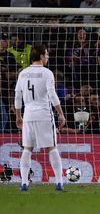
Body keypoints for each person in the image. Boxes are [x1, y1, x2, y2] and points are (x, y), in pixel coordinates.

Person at [14, 45, 65, 191]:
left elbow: (17, 97)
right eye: (47, 55)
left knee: (27, 148)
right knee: (52, 148)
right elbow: (52, 94)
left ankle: (24, 183)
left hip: (28, 116)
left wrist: (18, 116)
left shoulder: (23, 73)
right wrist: (60, 113)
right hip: (44, 115)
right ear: (41, 56)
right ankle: (59, 182)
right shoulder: (47, 73)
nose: (48, 57)